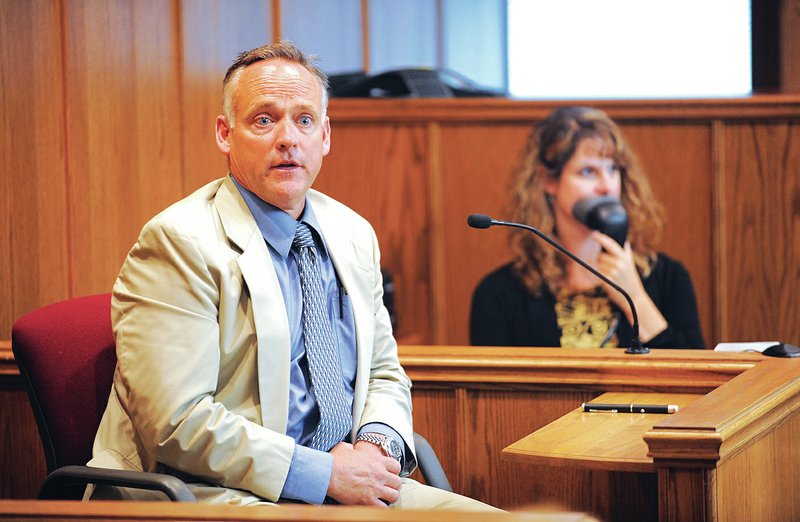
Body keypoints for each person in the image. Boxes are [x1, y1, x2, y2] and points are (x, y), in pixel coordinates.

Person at [89, 41, 498, 511]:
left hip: (351, 479)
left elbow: (384, 371)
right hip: (212, 491)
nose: (288, 138)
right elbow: (178, 424)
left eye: (304, 120)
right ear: (225, 134)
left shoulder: (351, 232)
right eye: (264, 119)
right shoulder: (178, 241)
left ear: (324, 136)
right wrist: (324, 474)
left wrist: (374, 451)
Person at [470, 106, 704, 349]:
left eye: (613, 169)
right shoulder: (500, 293)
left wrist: (634, 298)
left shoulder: (668, 277)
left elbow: (698, 378)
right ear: (549, 181)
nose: (607, 186)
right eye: (588, 171)